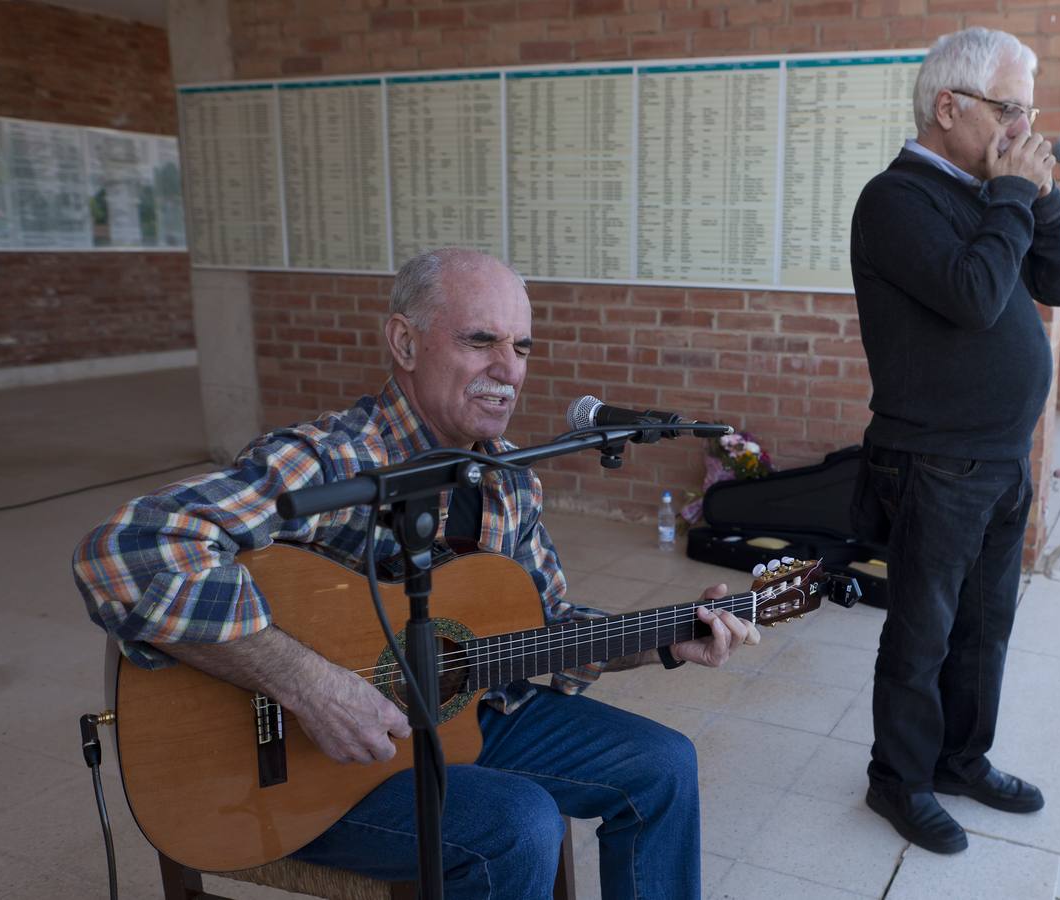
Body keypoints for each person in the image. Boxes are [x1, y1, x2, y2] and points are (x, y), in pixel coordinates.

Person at [72, 249, 760, 897]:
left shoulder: (505, 479)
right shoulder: (329, 461)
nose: (509, 369)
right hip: (311, 766)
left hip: (469, 715)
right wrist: (309, 684)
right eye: (480, 340)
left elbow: (546, 631)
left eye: (520, 348)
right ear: (404, 344)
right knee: (517, 824)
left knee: (661, 765)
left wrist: (666, 639)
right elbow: (122, 553)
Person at [847, 27, 1060, 856]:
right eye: (1008, 110)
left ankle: (959, 759)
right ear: (948, 107)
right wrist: (1013, 198)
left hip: (1000, 453)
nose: (1021, 129)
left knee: (987, 624)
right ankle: (897, 779)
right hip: (934, 460)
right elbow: (977, 296)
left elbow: (1059, 282)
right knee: (922, 631)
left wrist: (1040, 197)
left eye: (1027, 112)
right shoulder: (896, 199)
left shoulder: (993, 190)